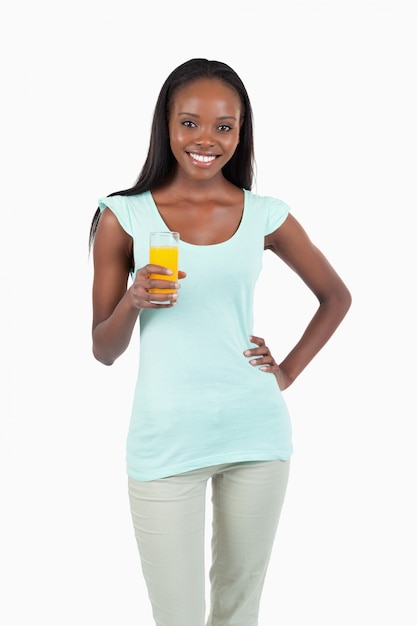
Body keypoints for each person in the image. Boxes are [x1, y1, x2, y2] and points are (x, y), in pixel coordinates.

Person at [89, 58, 351, 626]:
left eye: (224, 127)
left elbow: (336, 297)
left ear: (240, 132)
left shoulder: (263, 215)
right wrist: (132, 302)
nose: (206, 140)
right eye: (190, 123)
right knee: (178, 617)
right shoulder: (123, 217)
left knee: (238, 612)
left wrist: (285, 372)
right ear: (165, 125)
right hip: (165, 442)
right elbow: (103, 350)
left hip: (255, 433)